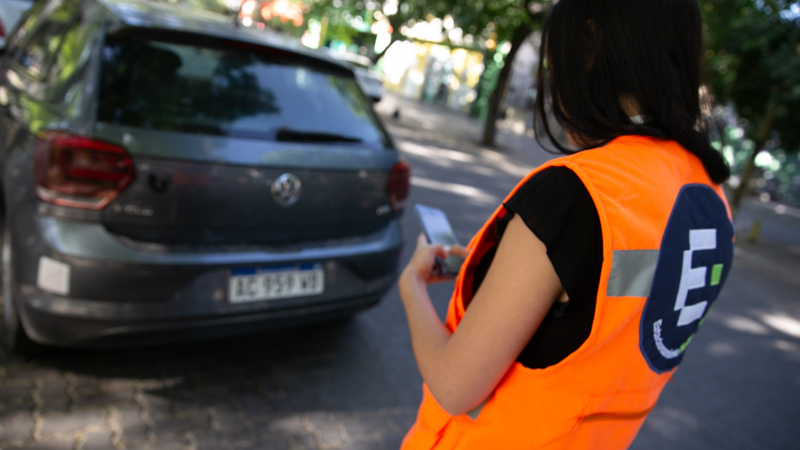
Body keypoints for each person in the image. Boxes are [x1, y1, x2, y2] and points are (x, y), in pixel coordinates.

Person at [398, 0, 734, 449]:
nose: (555, 92)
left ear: (590, 48)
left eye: (556, 68)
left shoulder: (576, 196)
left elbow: (453, 386)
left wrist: (412, 287)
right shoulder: (712, 202)